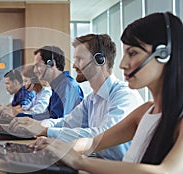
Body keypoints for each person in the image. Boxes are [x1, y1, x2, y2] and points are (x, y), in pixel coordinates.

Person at [31, 12, 183, 174]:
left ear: (164, 55)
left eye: (133, 53)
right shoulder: (145, 112)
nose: (122, 64)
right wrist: (58, 146)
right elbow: (94, 142)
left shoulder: (179, 119)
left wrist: (79, 161)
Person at [9, 34, 144, 161]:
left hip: (119, 171)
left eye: (79, 59)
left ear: (100, 60)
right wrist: (38, 125)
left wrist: (45, 130)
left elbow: (102, 135)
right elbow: (65, 122)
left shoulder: (124, 95)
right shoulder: (91, 99)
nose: (74, 65)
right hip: (96, 164)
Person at [25, 45, 83, 120]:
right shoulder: (58, 86)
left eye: (38, 65)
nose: (35, 70)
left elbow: (57, 122)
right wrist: (21, 117)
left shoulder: (66, 86)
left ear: (51, 63)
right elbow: (48, 116)